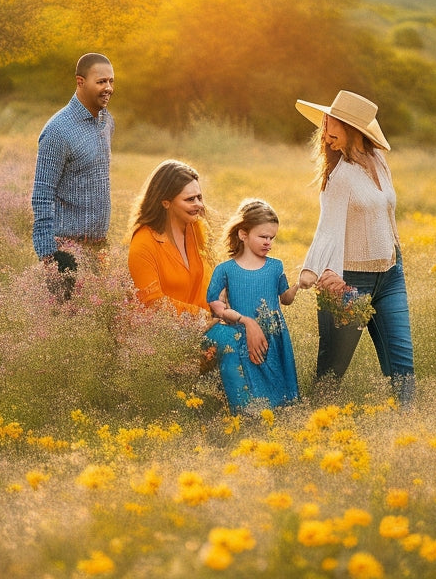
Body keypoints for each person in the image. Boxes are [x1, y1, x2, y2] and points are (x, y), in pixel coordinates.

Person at [295, 90, 415, 406]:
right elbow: (329, 227)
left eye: (330, 124)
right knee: (332, 372)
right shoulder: (340, 175)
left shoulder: (378, 161)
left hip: (390, 275)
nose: (324, 132)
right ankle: (312, 425)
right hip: (349, 280)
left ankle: (410, 427)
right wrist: (318, 270)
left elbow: (386, 213)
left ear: (351, 127)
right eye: (324, 124)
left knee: (402, 363)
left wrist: (395, 254)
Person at [202, 199, 300, 413]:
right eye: (263, 236)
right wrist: (243, 320)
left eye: (272, 238)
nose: (268, 243)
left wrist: (299, 284)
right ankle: (250, 414)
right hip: (243, 333)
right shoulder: (225, 269)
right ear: (243, 234)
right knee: (251, 376)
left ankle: (280, 413)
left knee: (277, 381)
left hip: (274, 334)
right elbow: (215, 305)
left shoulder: (276, 266)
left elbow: (285, 298)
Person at [31, 53, 115, 295]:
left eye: (111, 81)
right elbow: (42, 195)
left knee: (98, 323)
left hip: (99, 248)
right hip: (65, 249)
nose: (108, 88)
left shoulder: (106, 122)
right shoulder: (58, 130)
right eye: (101, 82)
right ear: (80, 81)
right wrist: (49, 256)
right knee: (66, 324)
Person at [127, 160, 212, 316]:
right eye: (190, 199)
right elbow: (153, 304)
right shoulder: (143, 244)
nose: (199, 205)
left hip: (205, 323)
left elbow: (204, 283)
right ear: (166, 203)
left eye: (199, 197)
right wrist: (201, 316)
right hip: (166, 333)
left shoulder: (194, 228)